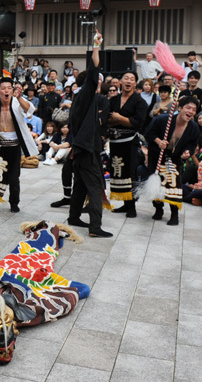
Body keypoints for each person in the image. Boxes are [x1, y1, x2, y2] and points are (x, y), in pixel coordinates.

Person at [64, 30, 113, 237]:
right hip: (87, 150)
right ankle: (95, 227)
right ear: (92, 81)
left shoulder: (80, 100)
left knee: (81, 186)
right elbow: (94, 68)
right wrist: (96, 44)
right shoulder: (86, 94)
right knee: (95, 187)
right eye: (98, 80)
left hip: (81, 150)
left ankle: (74, 216)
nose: (100, 82)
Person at [0, 77, 39, 218]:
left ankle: (14, 203)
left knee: (14, 177)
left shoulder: (18, 101)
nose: (6, 91)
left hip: (14, 146)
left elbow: (30, 111)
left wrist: (20, 98)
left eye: (9, 88)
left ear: (13, 89)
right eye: (3, 88)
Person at [145, 95, 200, 225]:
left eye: (194, 109)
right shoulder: (162, 120)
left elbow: (192, 145)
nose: (191, 112)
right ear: (179, 108)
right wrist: (159, 142)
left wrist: (187, 153)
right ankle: (158, 209)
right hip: (157, 156)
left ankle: (174, 214)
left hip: (175, 158)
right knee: (157, 184)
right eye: (188, 108)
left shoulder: (194, 128)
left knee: (175, 184)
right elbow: (148, 133)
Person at [108, 70, 147, 217]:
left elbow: (138, 123)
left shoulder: (139, 102)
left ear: (135, 83)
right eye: (126, 78)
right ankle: (124, 203)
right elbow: (107, 119)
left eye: (132, 79)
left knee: (130, 173)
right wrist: (122, 120)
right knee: (118, 172)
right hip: (115, 142)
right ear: (121, 82)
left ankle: (132, 207)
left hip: (130, 142)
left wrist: (119, 118)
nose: (129, 81)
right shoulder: (113, 100)